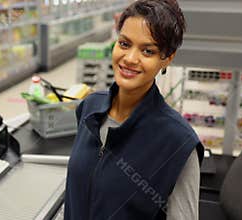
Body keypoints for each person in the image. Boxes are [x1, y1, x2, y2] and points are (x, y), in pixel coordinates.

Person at [64, 0, 204, 219]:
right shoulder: (89, 108)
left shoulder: (179, 144)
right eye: (124, 44)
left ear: (166, 58)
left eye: (148, 51)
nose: (130, 59)